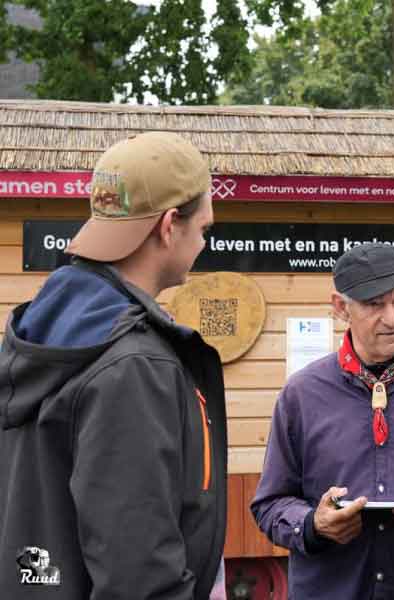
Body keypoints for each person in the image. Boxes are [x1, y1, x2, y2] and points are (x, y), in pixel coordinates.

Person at [0, 132, 228, 599]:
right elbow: (138, 574)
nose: (203, 243)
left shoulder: (38, 331)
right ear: (169, 225)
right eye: (204, 229)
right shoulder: (135, 365)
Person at [251, 243, 394, 599]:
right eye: (375, 304)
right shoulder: (301, 395)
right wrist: (313, 525)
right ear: (341, 308)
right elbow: (270, 504)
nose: (392, 318)